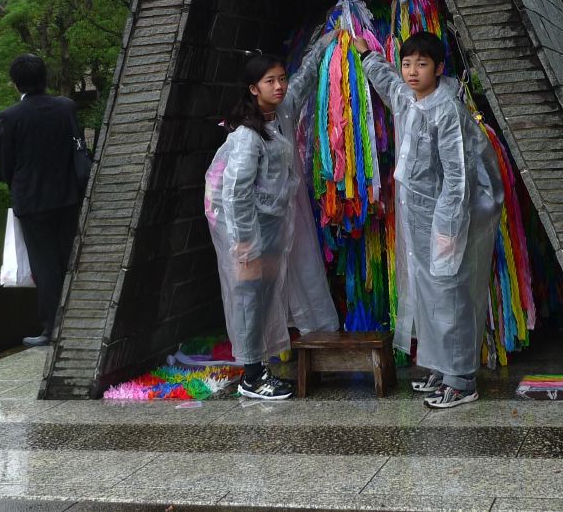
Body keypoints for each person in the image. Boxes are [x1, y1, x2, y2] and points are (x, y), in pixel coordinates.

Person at [351, 31, 502, 408]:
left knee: (450, 294)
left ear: (438, 67)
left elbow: (458, 176)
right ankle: (439, 364)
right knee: (426, 293)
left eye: (422, 63)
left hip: (444, 217)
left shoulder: (446, 109)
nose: (412, 71)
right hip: (414, 217)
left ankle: (461, 378)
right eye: (407, 63)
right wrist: (368, 53)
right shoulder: (409, 98)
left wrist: (448, 228)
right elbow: (388, 82)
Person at [204, 34, 337, 400]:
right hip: (247, 233)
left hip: (269, 228)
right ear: (252, 88)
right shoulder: (249, 136)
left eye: (281, 78)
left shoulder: (280, 114)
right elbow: (234, 194)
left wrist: (327, 41)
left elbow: (306, 77)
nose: (279, 86)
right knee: (249, 298)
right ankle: (251, 376)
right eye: (270, 81)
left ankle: (259, 369)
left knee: (263, 299)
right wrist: (244, 247)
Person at [0, 53, 85, 348]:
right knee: (69, 259)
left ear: (15, 82)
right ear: (44, 77)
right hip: (68, 196)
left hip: (33, 202)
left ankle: (52, 328)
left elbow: (6, 163)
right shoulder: (66, 107)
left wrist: (18, 188)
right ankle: (80, 320)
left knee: (45, 266)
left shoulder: (11, 117)